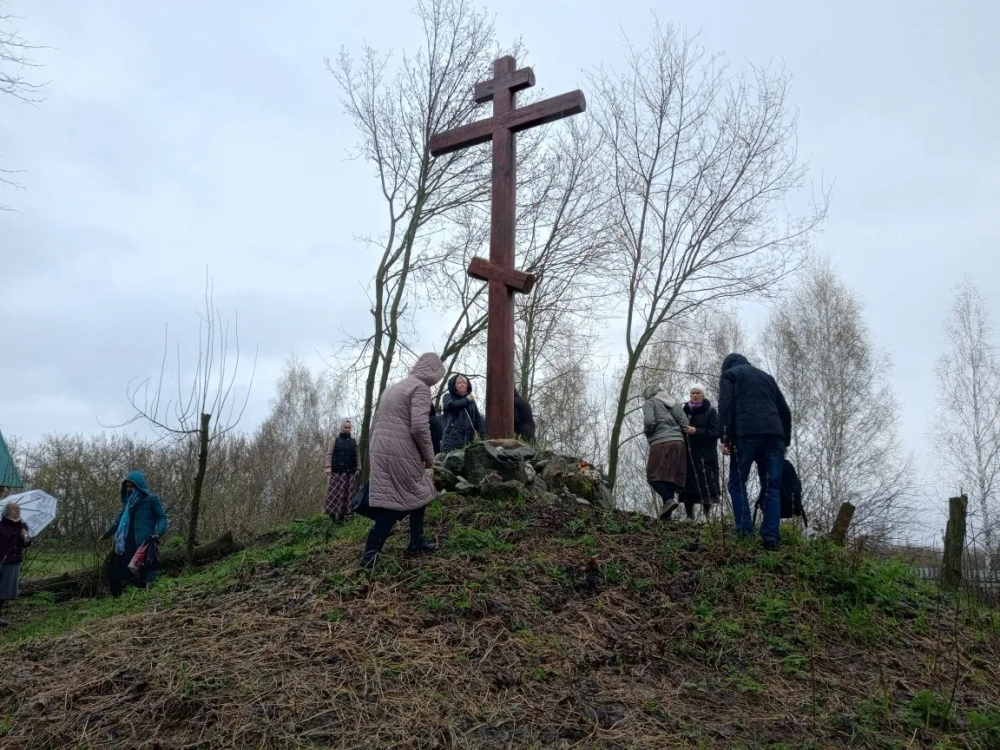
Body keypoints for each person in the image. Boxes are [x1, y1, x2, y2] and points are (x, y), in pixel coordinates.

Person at [362, 352, 447, 568]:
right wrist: (429, 457)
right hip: (400, 449)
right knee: (395, 502)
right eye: (438, 376)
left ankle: (416, 541)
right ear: (432, 372)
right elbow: (419, 427)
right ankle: (369, 556)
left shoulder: (395, 387)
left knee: (420, 492)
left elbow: (377, 421)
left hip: (381, 448)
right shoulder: (420, 388)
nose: (437, 381)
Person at [718, 353, 792, 550]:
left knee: (737, 482)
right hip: (774, 436)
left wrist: (725, 436)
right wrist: (785, 440)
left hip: (746, 434)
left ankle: (745, 532)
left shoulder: (730, 375)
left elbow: (726, 405)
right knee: (772, 486)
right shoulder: (767, 377)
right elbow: (784, 410)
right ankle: (771, 537)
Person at [102, 471, 168, 597]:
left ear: (139, 485)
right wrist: (108, 534)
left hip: (144, 542)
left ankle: (145, 595)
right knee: (115, 571)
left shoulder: (151, 499)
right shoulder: (128, 503)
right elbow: (119, 521)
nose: (129, 489)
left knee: (144, 570)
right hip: (125, 542)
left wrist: (158, 533)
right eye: (127, 486)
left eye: (131, 486)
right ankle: (119, 598)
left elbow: (162, 517)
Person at [642, 384, 689, 520]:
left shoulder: (650, 402)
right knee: (669, 478)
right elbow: (685, 423)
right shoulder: (673, 402)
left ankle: (668, 500)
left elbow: (649, 421)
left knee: (653, 477)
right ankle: (666, 516)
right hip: (679, 443)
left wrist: (648, 433)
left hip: (661, 442)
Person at [681, 383, 721, 521]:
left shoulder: (710, 411)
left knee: (707, 483)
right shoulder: (684, 411)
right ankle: (688, 515)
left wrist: (696, 431)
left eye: (698, 393)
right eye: (692, 393)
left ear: (703, 395)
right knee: (687, 484)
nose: (695, 395)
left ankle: (706, 516)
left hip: (706, 455)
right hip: (688, 454)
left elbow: (715, 432)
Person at [0, 502, 30, 627]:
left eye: (18, 509)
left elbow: (26, 544)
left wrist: (25, 536)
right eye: (14, 509)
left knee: (5, 591)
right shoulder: (1, 525)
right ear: (7, 512)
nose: (17, 510)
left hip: (13, 562)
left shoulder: (22, 526)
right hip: (1, 560)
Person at [324, 419, 360, 522]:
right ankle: (333, 515)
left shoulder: (354, 442)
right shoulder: (335, 440)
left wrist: (358, 468)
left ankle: (344, 516)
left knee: (348, 495)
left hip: (350, 472)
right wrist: (328, 467)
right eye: (345, 427)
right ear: (342, 428)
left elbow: (358, 456)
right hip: (337, 472)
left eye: (349, 427)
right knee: (335, 494)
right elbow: (329, 454)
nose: (347, 429)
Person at [440, 373, 486, 453]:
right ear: (454, 385)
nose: (462, 385)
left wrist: (483, 438)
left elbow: (477, 419)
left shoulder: (471, 401)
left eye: (464, 383)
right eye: (459, 383)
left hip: (468, 440)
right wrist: (467, 399)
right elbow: (452, 405)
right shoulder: (448, 397)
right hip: (451, 439)